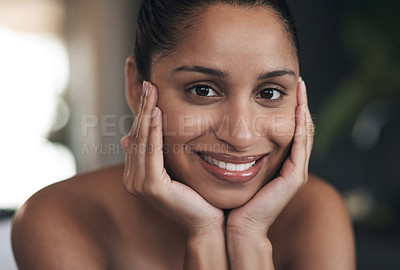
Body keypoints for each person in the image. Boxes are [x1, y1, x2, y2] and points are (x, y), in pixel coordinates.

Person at [11, 0, 356, 269]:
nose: (239, 135)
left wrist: (248, 236)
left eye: (269, 93)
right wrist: (204, 236)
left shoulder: (315, 214)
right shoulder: (59, 219)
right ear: (136, 87)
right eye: (203, 90)